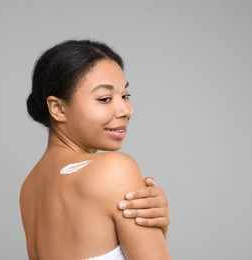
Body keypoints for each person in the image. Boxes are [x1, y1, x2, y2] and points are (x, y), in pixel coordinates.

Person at [20, 39, 171, 259]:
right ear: (58, 108)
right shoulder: (114, 169)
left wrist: (155, 233)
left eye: (125, 96)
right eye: (104, 99)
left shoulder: (30, 187)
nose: (125, 110)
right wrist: (156, 233)